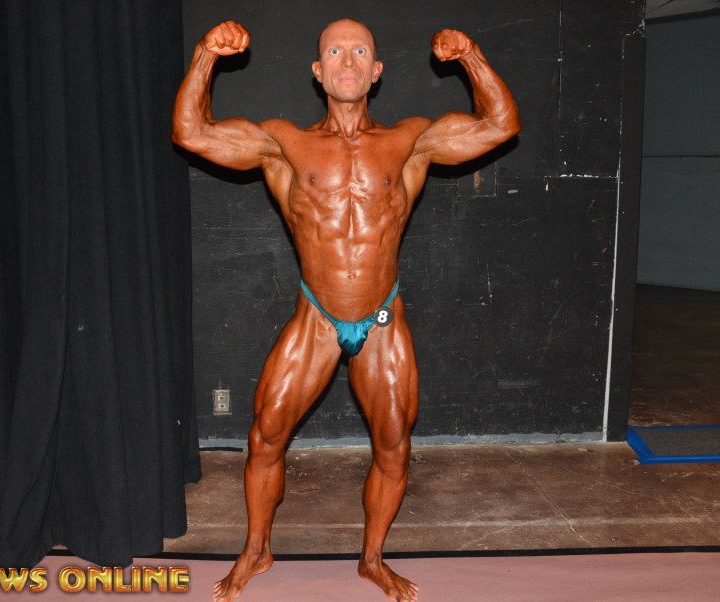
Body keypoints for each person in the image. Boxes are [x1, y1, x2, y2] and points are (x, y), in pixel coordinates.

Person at [172, 18, 519, 602]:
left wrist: (471, 56)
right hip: (317, 317)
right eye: (335, 51)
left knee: (394, 446)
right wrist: (206, 53)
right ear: (318, 71)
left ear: (376, 71)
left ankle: (372, 560)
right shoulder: (285, 142)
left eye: (360, 51)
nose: (348, 60)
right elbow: (191, 133)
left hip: (382, 318)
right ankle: (256, 549)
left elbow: (501, 124)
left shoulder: (409, 140)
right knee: (264, 437)